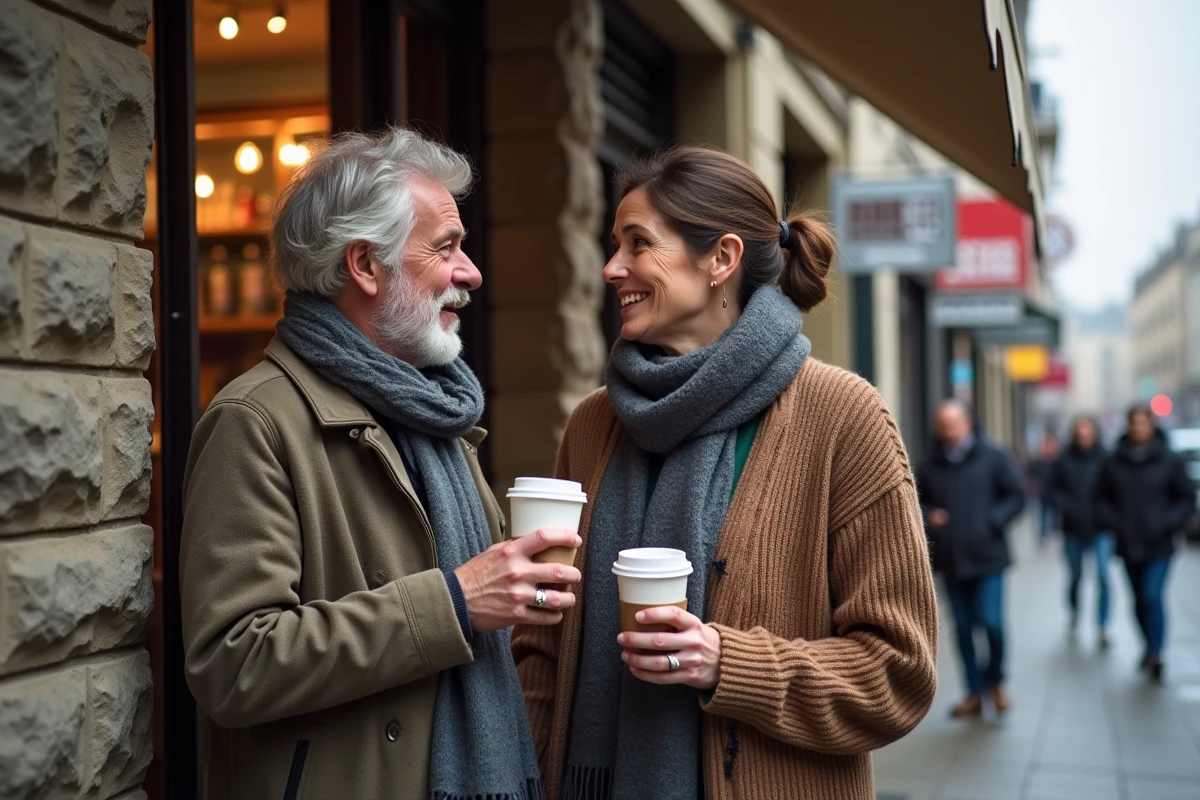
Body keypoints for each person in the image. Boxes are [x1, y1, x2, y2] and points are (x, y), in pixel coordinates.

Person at [513, 146, 939, 800]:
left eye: (638, 244)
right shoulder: (593, 424)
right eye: (614, 244)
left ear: (722, 259)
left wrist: (725, 663)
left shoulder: (843, 417)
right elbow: (543, 650)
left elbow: (897, 674)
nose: (611, 268)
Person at [179, 127, 580, 800]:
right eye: (447, 247)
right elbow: (232, 663)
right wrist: (453, 602)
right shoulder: (255, 420)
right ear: (365, 265)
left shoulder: (437, 413)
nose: (471, 272)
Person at [916, 400, 1025, 718]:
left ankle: (996, 682)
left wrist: (993, 520)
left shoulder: (994, 456)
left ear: (967, 424)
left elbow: (1016, 495)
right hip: (951, 560)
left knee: (991, 623)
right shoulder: (930, 465)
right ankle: (974, 691)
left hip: (988, 557)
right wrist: (928, 516)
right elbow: (913, 502)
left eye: (954, 424)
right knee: (962, 628)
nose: (949, 431)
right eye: (943, 426)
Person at [1094, 406, 1195, 683]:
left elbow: (1185, 498)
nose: (1139, 428)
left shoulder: (1169, 460)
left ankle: (1156, 653)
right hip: (1129, 543)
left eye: (1143, 423)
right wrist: (1115, 523)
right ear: (1129, 426)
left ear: (1151, 426)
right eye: (1134, 423)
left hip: (1159, 543)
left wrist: (1167, 522)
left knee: (1153, 596)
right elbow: (1101, 498)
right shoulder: (1114, 461)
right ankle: (1147, 644)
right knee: (1138, 599)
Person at [1047, 416, 1113, 647]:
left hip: (1101, 528)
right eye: (1080, 432)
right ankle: (1075, 613)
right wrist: (1066, 507)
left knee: (1103, 576)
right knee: (1076, 576)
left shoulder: (1106, 458)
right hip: (1073, 528)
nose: (1084, 436)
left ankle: (1103, 625)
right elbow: (1052, 489)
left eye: (1088, 432)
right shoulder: (1064, 459)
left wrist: (1107, 513)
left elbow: (1116, 489)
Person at [1028, 432, 1060, 544]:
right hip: (1042, 492)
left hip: (1054, 493)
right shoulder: (1038, 461)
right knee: (1042, 514)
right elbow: (1032, 475)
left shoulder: (1057, 461)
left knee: (1054, 513)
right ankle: (1043, 534)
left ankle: (1053, 531)